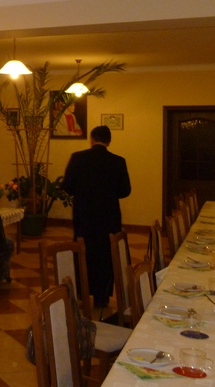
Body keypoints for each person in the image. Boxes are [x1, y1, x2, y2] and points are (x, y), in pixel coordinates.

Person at [61, 125, 131, 307]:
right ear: (109, 141)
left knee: (83, 250)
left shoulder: (78, 158)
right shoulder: (118, 161)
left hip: (84, 214)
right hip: (109, 216)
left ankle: (82, 292)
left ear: (91, 140)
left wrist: (83, 191)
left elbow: (67, 186)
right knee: (106, 255)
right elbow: (125, 190)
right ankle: (102, 297)